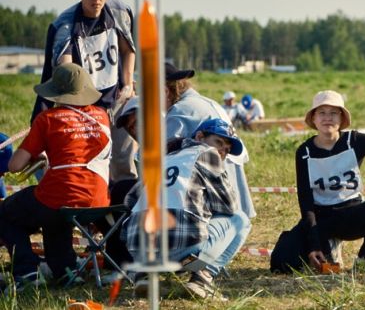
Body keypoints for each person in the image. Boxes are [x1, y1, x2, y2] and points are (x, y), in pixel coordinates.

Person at [270, 90, 365, 276]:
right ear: (314, 118)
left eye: (334, 113)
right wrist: (314, 244)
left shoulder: (354, 140)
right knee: (281, 263)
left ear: (342, 118)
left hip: (353, 214)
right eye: (322, 113)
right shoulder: (304, 152)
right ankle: (328, 249)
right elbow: (306, 201)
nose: (328, 118)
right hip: (321, 219)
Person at [0, 63, 111, 289]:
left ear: (56, 92)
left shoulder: (48, 119)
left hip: (59, 198)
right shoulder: (101, 115)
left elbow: (14, 165)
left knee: (6, 213)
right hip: (99, 201)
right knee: (52, 209)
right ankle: (65, 270)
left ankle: (27, 271)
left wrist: (36, 155)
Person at [30, 0, 138, 185]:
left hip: (118, 100)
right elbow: (64, 71)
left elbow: (128, 50)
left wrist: (127, 86)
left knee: (124, 163)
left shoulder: (120, 12)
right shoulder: (65, 26)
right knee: (92, 165)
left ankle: (123, 214)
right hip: (85, 108)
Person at [123, 118, 251, 299]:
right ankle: (202, 279)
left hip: (137, 248)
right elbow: (229, 206)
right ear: (199, 137)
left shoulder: (165, 158)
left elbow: (130, 200)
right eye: (219, 142)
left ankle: (144, 276)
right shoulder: (208, 154)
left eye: (227, 150)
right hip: (178, 246)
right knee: (241, 219)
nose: (222, 151)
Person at [165, 62, 256, 219]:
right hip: (237, 198)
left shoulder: (180, 111)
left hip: (214, 205)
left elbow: (163, 161)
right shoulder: (208, 103)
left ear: (165, 91)